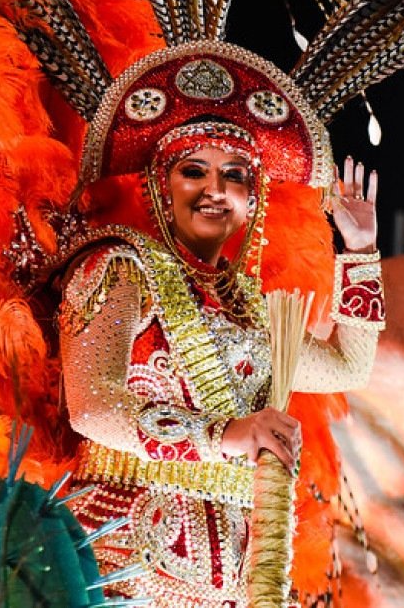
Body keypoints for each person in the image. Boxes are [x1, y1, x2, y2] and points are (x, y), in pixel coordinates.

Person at [54, 43, 387, 606]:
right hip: (119, 562)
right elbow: (92, 408)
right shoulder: (118, 267)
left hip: (242, 576)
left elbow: (349, 365)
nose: (215, 191)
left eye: (235, 175)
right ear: (162, 185)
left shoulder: (250, 309)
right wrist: (226, 435)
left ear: (252, 198)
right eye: (194, 172)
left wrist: (360, 251)